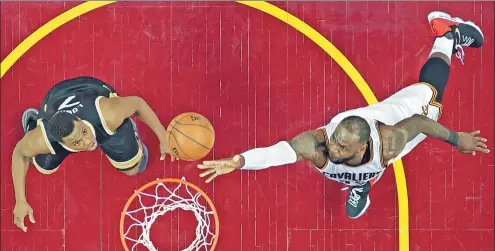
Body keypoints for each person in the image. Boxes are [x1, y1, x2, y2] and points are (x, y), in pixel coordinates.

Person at [197, 11, 490, 219]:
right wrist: (240, 162)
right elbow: (281, 153)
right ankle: (361, 181)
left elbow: (419, 123)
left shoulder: (391, 141)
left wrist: (455, 139)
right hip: (368, 141)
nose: (333, 148)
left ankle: (446, 33)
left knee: (431, 95)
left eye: (341, 147)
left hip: (395, 116)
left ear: (361, 147)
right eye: (335, 141)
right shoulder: (319, 145)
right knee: (359, 166)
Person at [11, 76, 179, 232]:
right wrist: (20, 200)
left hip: (91, 92)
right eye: (77, 143)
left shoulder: (108, 114)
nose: (86, 142)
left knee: (135, 168)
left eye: (84, 132)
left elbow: (137, 103)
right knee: (42, 165)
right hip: (54, 100)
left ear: (78, 120)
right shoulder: (45, 140)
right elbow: (19, 153)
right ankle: (35, 125)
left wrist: (163, 136)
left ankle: (124, 128)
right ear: (62, 144)